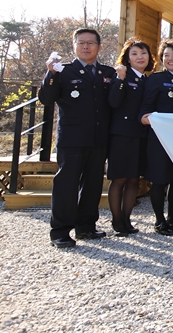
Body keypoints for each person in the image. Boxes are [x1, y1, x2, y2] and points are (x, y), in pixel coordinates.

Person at [39, 28, 116, 248]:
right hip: (72, 138)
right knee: (66, 185)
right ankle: (60, 231)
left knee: (93, 184)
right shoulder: (62, 71)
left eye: (91, 43)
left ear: (98, 47)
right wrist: (50, 74)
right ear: (74, 46)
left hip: (98, 137)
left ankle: (86, 226)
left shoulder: (107, 72)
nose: (86, 46)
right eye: (81, 42)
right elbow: (46, 99)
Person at [140, 40, 173, 236]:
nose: (170, 59)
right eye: (166, 55)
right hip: (159, 138)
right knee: (159, 180)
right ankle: (159, 220)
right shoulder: (156, 79)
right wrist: (144, 118)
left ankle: (172, 217)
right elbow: (146, 106)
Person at [107, 38, 154, 236]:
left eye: (143, 53)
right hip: (121, 134)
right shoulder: (122, 76)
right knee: (119, 179)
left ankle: (127, 219)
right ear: (127, 58)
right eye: (134, 54)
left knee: (134, 179)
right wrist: (120, 79)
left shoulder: (148, 79)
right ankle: (117, 220)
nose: (139, 57)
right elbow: (113, 102)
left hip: (141, 134)